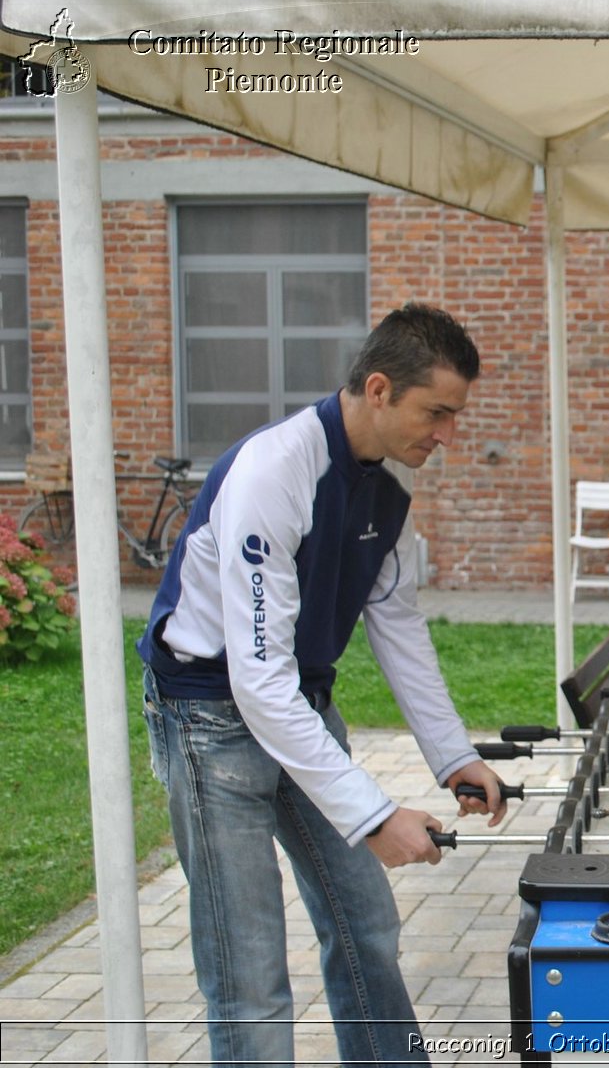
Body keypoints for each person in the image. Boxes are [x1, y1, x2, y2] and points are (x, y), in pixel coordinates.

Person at [137, 303, 506, 1066]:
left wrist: (452, 755)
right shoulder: (275, 473)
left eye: (455, 415)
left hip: (295, 700)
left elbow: (397, 622)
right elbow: (256, 682)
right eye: (437, 412)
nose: (447, 435)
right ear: (379, 388)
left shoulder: (390, 481)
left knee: (366, 923)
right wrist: (372, 814)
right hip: (208, 717)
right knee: (250, 973)